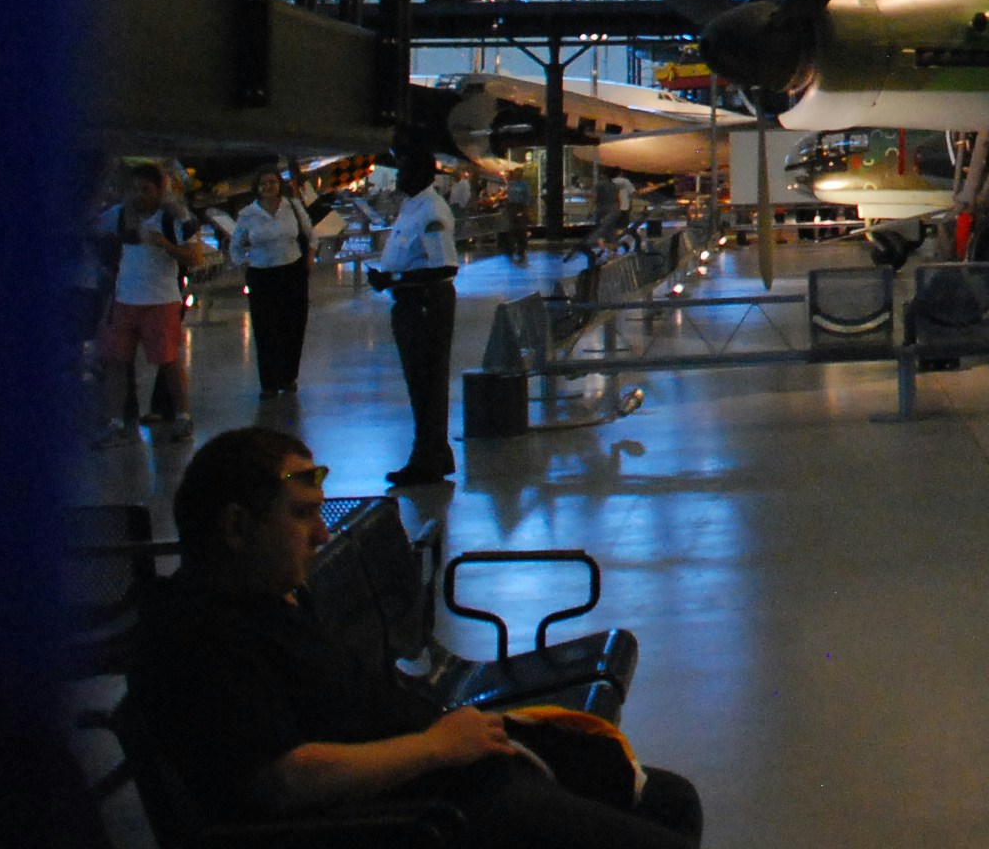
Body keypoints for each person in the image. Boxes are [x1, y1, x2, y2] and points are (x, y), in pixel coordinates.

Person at [126, 427, 703, 845]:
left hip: (441, 780)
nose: (322, 535)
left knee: (669, 800)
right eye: (301, 516)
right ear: (236, 527)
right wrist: (436, 748)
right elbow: (284, 781)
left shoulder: (265, 601)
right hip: (414, 817)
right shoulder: (201, 638)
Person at [372, 158, 460, 485]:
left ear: (420, 174)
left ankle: (426, 458)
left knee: (428, 382)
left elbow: (445, 267)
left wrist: (393, 276)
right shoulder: (412, 207)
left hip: (426, 303)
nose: (397, 176)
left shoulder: (431, 211)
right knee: (419, 383)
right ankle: (434, 454)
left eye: (403, 170)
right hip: (409, 300)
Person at [97, 163, 193, 442]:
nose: (139, 195)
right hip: (125, 300)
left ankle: (183, 416)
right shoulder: (118, 216)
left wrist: (166, 244)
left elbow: (194, 256)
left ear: (159, 191)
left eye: (146, 189)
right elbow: (92, 225)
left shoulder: (170, 219)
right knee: (116, 361)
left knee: (168, 361)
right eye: (134, 189)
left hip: (161, 301)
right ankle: (116, 422)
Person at [232, 164, 314, 399]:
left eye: (273, 182)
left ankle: (288, 376)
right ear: (257, 188)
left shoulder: (293, 207)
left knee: (293, 325)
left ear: (280, 185)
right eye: (264, 183)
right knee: (265, 327)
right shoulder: (248, 214)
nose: (269, 187)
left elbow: (309, 234)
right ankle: (269, 382)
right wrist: (243, 264)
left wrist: (308, 259)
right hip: (262, 274)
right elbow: (235, 244)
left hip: (292, 271)